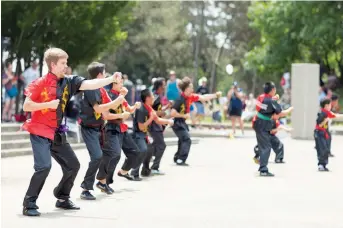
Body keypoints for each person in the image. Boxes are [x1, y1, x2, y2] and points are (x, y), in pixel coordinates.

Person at [21, 47, 121, 216]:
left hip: (57, 132)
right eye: (63, 63)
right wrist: (47, 105)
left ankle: (62, 197)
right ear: (53, 65)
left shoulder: (69, 81)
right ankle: (29, 203)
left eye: (66, 63)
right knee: (44, 166)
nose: (65, 66)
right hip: (40, 131)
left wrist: (111, 79)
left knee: (73, 165)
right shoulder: (40, 83)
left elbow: (90, 84)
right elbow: (26, 105)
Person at [78, 62, 127, 200]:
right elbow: (100, 110)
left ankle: (101, 180)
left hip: (100, 127)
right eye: (105, 73)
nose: (106, 76)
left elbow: (107, 111)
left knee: (112, 153)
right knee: (97, 156)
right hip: (89, 128)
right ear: (100, 75)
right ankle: (86, 188)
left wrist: (121, 97)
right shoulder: (90, 88)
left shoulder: (101, 90)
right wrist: (120, 98)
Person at [170, 77, 221, 166]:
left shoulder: (190, 97)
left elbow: (203, 97)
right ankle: (181, 159)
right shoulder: (179, 99)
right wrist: (183, 115)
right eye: (191, 87)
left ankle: (177, 157)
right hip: (177, 123)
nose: (193, 89)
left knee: (182, 140)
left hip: (182, 122)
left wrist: (215, 95)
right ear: (186, 89)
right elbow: (172, 113)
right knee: (187, 140)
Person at [101, 75, 141, 186]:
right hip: (111, 128)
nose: (122, 85)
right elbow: (107, 115)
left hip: (121, 128)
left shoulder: (120, 96)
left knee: (135, 152)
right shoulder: (108, 95)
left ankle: (123, 171)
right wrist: (122, 114)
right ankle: (105, 182)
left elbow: (129, 109)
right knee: (115, 154)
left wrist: (135, 106)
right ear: (113, 84)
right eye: (120, 83)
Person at [130, 89, 174, 179]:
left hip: (143, 135)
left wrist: (169, 121)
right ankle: (134, 172)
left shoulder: (149, 108)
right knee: (143, 150)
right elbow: (141, 127)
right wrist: (150, 119)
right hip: (137, 134)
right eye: (152, 96)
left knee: (149, 150)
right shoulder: (141, 109)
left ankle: (145, 170)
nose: (154, 97)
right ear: (147, 98)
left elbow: (158, 120)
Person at [253, 82, 293, 177]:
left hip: (257, 122)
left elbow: (266, 102)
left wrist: (273, 99)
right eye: (274, 89)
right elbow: (279, 113)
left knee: (263, 144)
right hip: (263, 124)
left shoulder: (261, 97)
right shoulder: (271, 101)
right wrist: (290, 110)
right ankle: (263, 169)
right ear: (272, 90)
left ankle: (260, 162)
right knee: (266, 147)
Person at [141, 78, 171, 176]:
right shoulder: (154, 96)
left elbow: (155, 109)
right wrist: (162, 112)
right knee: (161, 145)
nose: (165, 86)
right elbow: (150, 110)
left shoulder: (156, 96)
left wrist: (166, 107)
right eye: (164, 85)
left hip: (155, 125)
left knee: (154, 146)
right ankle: (154, 167)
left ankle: (147, 164)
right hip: (153, 125)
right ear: (160, 86)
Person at [314, 98, 343, 171]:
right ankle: (321, 164)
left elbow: (335, 115)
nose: (331, 106)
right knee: (322, 149)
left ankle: (324, 164)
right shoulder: (322, 114)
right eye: (329, 105)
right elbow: (319, 125)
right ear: (326, 106)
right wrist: (325, 121)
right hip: (319, 133)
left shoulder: (327, 112)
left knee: (326, 149)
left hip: (324, 133)